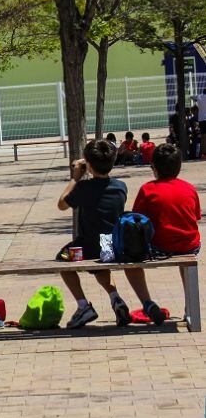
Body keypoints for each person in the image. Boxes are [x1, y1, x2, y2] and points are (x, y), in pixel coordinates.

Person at [57, 139, 146, 329]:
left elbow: (62, 204)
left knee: (62, 262)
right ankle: (115, 298)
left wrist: (75, 177)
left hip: (86, 247)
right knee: (100, 265)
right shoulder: (120, 186)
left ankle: (83, 305)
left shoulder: (83, 188)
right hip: (110, 246)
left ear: (88, 164)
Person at [123, 143, 198, 325]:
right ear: (179, 167)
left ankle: (147, 303)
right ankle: (190, 305)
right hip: (190, 245)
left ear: (154, 167)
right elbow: (195, 215)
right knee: (185, 259)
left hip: (159, 248)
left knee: (128, 260)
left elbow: (138, 219)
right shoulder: (189, 188)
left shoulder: (148, 189)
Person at [191, 88, 206, 157]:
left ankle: (203, 153)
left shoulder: (199, 96)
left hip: (201, 119)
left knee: (203, 137)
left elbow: (192, 97)